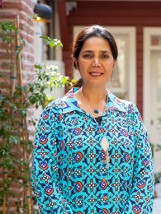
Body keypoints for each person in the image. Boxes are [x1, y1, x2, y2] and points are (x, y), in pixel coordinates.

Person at [31, 25, 154, 213]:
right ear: (76, 61)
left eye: (104, 56)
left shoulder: (129, 113)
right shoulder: (55, 114)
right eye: (88, 55)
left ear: (114, 62)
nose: (96, 62)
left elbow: (144, 175)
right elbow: (44, 178)